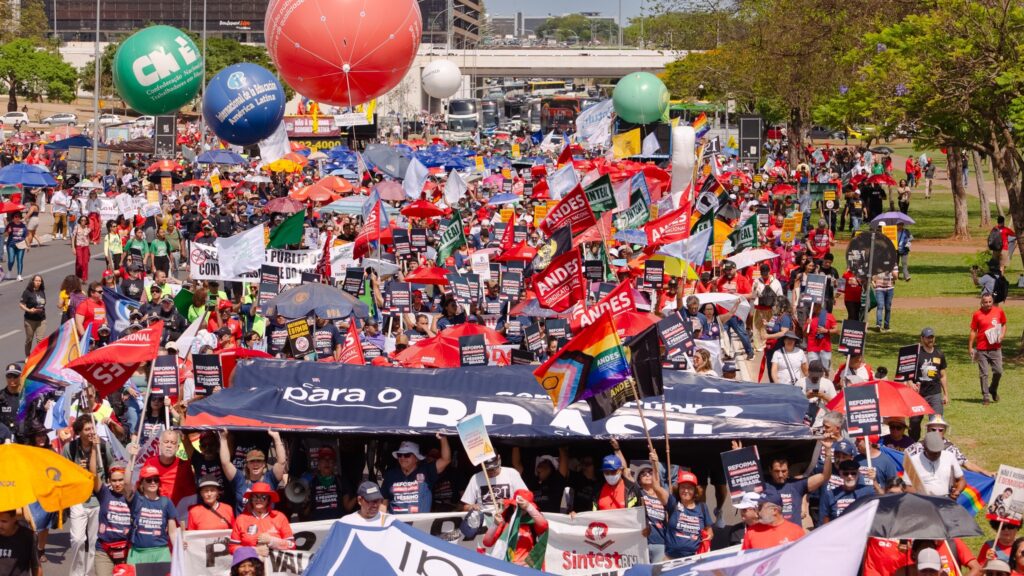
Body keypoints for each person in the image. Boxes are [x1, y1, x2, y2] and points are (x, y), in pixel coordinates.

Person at [63, 416, 116, 576]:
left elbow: (113, 467)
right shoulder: (70, 448)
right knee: (77, 540)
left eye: (93, 428)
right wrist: (77, 470)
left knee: (94, 541)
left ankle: (89, 572)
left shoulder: (103, 446)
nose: (91, 432)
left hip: (98, 499)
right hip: (78, 498)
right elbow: (63, 472)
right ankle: (77, 573)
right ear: (79, 432)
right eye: (87, 429)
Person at [764, 438, 833, 526]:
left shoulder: (797, 485)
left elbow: (825, 476)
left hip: (794, 533)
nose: (780, 475)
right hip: (773, 531)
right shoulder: (762, 487)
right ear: (770, 470)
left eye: (784, 471)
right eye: (776, 471)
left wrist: (828, 451)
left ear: (788, 470)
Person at [219, 429, 287, 515]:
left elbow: (281, 462)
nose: (255, 464)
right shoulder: (239, 479)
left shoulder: (271, 478)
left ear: (264, 464)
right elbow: (225, 463)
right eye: (252, 461)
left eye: (259, 461)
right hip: (243, 522)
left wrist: (276, 438)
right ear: (247, 464)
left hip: (265, 522)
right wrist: (223, 438)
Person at [482, 489, 549, 569]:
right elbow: (487, 542)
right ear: (512, 506)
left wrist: (528, 507)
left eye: (523, 507)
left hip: (526, 568)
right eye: (516, 506)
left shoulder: (532, 523)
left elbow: (544, 525)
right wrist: (495, 524)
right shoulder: (505, 521)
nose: (519, 509)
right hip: (504, 566)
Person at [126, 465, 178, 565]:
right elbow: (126, 483)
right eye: (149, 480)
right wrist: (131, 459)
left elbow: (173, 532)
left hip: (161, 553)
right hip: (138, 553)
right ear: (142, 483)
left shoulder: (166, 502)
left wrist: (178, 549)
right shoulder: (136, 500)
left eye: (156, 480)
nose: (153, 482)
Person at [90, 453, 131, 576]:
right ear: (109, 481)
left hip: (127, 550)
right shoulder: (104, 493)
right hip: (104, 550)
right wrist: (93, 449)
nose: (117, 484)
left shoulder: (132, 497)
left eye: (120, 480)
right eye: (114, 480)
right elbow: (92, 474)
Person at [228, 482, 295, 557]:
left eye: (263, 497)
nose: (258, 500)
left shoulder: (279, 517)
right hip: (250, 562)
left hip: (274, 563)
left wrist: (271, 541)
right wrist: (253, 551)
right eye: (255, 496)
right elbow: (232, 547)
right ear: (251, 499)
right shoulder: (241, 519)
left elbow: (292, 545)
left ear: (268, 499)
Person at [664, 471, 713, 560]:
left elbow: (709, 531)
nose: (686, 490)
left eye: (690, 488)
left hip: (695, 559)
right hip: (671, 558)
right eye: (683, 487)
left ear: (695, 491)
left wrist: (708, 536)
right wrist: (655, 466)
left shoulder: (702, 507)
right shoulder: (673, 503)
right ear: (678, 489)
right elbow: (656, 487)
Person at [910, 327, 948, 440]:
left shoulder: (939, 354)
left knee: (936, 423)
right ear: (922, 339)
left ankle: (934, 445)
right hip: (918, 395)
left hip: (935, 394)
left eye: (932, 337)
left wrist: (946, 394)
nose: (930, 340)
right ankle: (913, 444)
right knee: (914, 423)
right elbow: (907, 373)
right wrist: (910, 383)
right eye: (927, 337)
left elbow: (943, 375)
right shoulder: (916, 354)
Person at [969, 293, 1007, 405]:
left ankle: (993, 389)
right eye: (985, 302)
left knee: (998, 371)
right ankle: (985, 396)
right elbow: (973, 331)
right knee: (984, 373)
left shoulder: (999, 312)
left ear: (992, 301)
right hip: (982, 349)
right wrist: (970, 347)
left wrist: (1002, 335)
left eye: (990, 301)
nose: (988, 304)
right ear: (982, 302)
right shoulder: (977, 314)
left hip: (995, 348)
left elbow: (1004, 324)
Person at [904, 431, 966, 498]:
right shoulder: (913, 461)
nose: (936, 455)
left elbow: (961, 480)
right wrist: (922, 496)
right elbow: (907, 486)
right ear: (924, 447)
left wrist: (957, 491)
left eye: (938, 452)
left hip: (946, 499)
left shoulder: (949, 456)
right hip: (922, 500)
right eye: (933, 452)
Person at [300, 446, 355, 521]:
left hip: (337, 523)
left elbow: (347, 507)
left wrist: (358, 494)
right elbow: (305, 513)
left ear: (334, 464)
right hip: (317, 524)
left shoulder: (341, 481)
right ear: (318, 464)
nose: (327, 462)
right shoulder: (311, 482)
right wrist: (305, 500)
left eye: (330, 459)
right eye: (323, 459)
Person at [143, 429, 196, 506]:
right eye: (166, 442)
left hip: (177, 510)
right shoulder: (150, 462)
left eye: (173, 443)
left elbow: (191, 496)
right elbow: (141, 488)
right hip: (155, 509)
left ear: (177, 447)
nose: (169, 445)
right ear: (159, 445)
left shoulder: (184, 466)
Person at [461, 454, 528, 513]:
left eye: (494, 468)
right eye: (488, 469)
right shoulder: (476, 478)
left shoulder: (512, 473)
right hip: (484, 519)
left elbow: (526, 497)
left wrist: (507, 502)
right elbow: (465, 506)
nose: (491, 471)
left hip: (508, 518)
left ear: (499, 459)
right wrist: (471, 507)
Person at [636, 451, 670, 562]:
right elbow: (626, 473)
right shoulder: (638, 493)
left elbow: (657, 480)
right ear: (639, 480)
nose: (647, 475)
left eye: (650, 473)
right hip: (641, 542)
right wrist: (617, 449)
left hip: (660, 542)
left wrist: (655, 462)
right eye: (643, 474)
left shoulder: (663, 495)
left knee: (658, 570)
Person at [741, 491, 805, 550]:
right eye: (757, 507)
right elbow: (745, 557)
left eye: (760, 508)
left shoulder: (796, 531)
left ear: (774, 510)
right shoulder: (751, 532)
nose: (757, 512)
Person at [0, 509, 41, 576]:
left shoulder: (28, 536)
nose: (0, 525)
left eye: (4, 521)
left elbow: (36, 566)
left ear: (14, 519)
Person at [19, 275, 45, 356]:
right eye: (36, 280)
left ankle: (39, 357)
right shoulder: (27, 292)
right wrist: (29, 310)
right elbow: (21, 304)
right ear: (32, 281)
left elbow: (43, 303)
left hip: (41, 319)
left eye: (40, 281)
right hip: (30, 320)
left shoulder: (41, 291)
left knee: (40, 340)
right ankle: (28, 356)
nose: (38, 282)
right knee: (29, 340)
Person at [871, 265, 897, 332]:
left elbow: (896, 277)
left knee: (888, 308)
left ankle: (886, 326)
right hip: (879, 288)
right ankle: (878, 325)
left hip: (890, 288)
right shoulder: (878, 263)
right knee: (880, 306)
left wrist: (891, 270)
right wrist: (873, 282)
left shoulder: (893, 264)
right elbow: (873, 275)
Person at [5, 212, 28, 281]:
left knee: (20, 260)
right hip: (11, 244)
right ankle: (9, 271)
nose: (17, 218)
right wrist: (8, 232)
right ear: (13, 218)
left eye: (18, 216)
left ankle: (19, 275)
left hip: (21, 244)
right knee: (11, 260)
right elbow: (5, 235)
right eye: (15, 216)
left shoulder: (23, 226)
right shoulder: (10, 225)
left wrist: (28, 245)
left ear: (20, 217)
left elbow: (26, 236)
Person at [72, 213, 92, 281]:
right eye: (82, 220)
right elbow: (73, 237)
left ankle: (84, 278)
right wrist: (73, 248)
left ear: (86, 221)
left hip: (86, 247)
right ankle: (78, 275)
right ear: (80, 221)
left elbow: (89, 238)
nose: (83, 221)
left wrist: (89, 247)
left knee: (85, 263)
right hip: (79, 247)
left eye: (85, 220)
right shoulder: (77, 227)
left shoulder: (88, 228)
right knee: (79, 263)